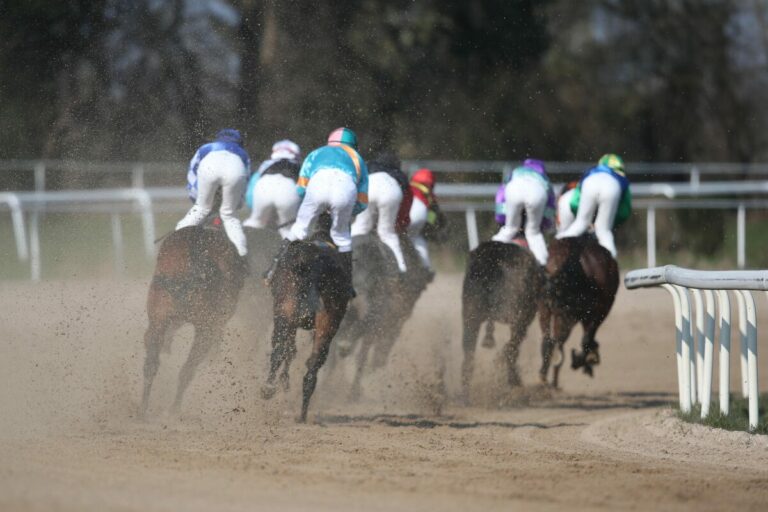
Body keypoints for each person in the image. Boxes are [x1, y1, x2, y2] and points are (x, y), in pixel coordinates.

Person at [264, 128, 368, 296]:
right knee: (342, 238)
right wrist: (345, 212)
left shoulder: (316, 153)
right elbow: (362, 203)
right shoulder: (357, 159)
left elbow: (300, 190)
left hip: (317, 189)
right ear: (353, 146)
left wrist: (314, 206)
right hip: (345, 192)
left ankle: (272, 270)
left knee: (299, 230)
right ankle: (348, 286)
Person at [176, 128, 250, 256]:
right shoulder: (243, 153)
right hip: (235, 169)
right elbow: (245, 183)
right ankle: (241, 255)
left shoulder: (206, 147)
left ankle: (177, 242)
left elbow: (192, 173)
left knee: (200, 209)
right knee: (229, 216)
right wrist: (236, 205)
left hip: (209, 167)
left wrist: (196, 200)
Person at [556, 153, 632, 257]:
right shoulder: (621, 178)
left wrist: (586, 218)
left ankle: (557, 247)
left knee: (579, 224)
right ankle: (612, 262)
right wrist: (610, 221)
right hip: (612, 186)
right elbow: (624, 212)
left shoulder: (591, 172)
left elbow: (574, 203)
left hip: (589, 183)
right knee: (604, 231)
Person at [350, 151, 411, 273]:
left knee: (360, 228)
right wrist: (401, 223)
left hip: (370, 187)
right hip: (391, 190)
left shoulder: (369, 167)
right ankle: (401, 269)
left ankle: (344, 256)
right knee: (387, 233)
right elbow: (404, 204)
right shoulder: (399, 175)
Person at [491, 158, 555, 265]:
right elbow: (550, 209)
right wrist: (544, 225)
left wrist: (501, 220)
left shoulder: (515, 172)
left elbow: (501, 196)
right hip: (536, 193)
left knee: (509, 229)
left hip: (514, 190)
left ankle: (490, 252)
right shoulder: (545, 179)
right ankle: (543, 265)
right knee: (533, 233)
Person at [243, 139, 302, 237]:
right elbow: (303, 192)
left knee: (255, 222)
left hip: (264, 186)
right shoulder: (299, 167)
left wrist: (255, 209)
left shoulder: (266, 164)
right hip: (288, 190)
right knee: (287, 229)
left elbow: (250, 194)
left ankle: (237, 247)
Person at [408, 168, 441, 277]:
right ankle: (426, 268)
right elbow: (432, 214)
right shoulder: (430, 195)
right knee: (417, 238)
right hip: (421, 213)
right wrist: (429, 226)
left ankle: (398, 268)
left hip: (409, 210)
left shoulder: (409, 186)